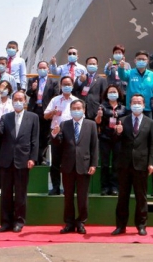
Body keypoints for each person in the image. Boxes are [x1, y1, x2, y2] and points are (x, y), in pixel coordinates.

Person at [0, 90, 39, 233]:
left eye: (20, 99)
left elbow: (35, 140)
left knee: (20, 193)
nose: (18, 102)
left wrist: (33, 158)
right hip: (6, 160)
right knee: (5, 193)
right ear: (12, 102)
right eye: (15, 99)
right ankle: (5, 222)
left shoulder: (33, 117)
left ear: (25, 101)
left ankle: (19, 221)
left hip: (23, 160)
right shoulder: (6, 117)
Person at [112, 94, 153, 236]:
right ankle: (120, 226)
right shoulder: (122, 120)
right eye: (134, 102)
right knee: (123, 196)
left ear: (144, 105)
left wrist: (151, 163)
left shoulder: (150, 122)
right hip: (124, 164)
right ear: (130, 104)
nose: (136, 104)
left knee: (141, 197)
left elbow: (152, 145)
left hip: (142, 164)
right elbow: (114, 140)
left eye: (139, 102)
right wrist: (117, 133)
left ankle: (141, 225)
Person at [52, 99, 99, 234]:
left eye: (79, 108)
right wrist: (55, 134)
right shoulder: (64, 124)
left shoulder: (91, 125)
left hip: (84, 165)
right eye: (74, 108)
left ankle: (81, 222)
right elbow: (58, 143)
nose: (76, 110)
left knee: (82, 197)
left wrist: (93, 164)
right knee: (68, 196)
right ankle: (69, 223)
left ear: (83, 110)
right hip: (68, 165)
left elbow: (94, 146)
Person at [44, 75, 79, 195]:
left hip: (71, 134)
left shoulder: (76, 101)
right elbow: (45, 116)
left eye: (69, 84)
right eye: (64, 84)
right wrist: (53, 112)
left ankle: (68, 188)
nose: (66, 87)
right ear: (60, 86)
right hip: (56, 133)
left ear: (72, 86)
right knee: (55, 162)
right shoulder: (55, 100)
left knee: (69, 162)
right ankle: (55, 187)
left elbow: (81, 118)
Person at [26, 61, 58, 166]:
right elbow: (28, 93)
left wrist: (52, 110)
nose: (42, 69)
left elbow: (56, 95)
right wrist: (33, 88)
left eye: (44, 68)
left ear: (48, 69)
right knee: (33, 134)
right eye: (40, 68)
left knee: (45, 135)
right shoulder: (32, 80)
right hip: (34, 109)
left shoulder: (53, 82)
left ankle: (42, 158)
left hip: (46, 111)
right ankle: (32, 158)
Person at [94, 84, 124, 195]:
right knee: (105, 164)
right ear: (107, 94)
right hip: (105, 138)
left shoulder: (123, 107)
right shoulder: (102, 106)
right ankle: (105, 187)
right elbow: (97, 122)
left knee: (116, 164)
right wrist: (99, 115)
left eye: (114, 92)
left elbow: (125, 122)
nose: (112, 94)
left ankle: (115, 186)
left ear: (118, 94)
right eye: (110, 92)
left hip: (118, 138)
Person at [117, 51, 153, 118]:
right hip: (132, 107)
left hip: (147, 108)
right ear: (135, 61)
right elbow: (122, 76)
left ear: (147, 61)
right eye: (139, 59)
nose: (141, 61)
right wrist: (121, 68)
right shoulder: (130, 73)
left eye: (143, 59)